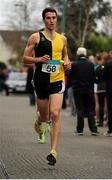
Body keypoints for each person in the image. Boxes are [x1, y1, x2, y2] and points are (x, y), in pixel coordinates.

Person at [23, 7, 71, 166]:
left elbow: (65, 55)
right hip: (41, 81)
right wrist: (39, 60)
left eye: (54, 18)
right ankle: (39, 123)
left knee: (55, 114)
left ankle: (53, 152)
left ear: (57, 19)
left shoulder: (62, 39)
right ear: (44, 20)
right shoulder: (35, 37)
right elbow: (25, 59)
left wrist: (67, 62)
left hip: (57, 80)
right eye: (48, 18)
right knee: (45, 117)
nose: (51, 20)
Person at [68, 47, 98, 136]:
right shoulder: (91, 64)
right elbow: (94, 77)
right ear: (85, 54)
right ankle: (93, 129)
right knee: (90, 109)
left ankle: (80, 130)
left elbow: (69, 76)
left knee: (80, 109)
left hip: (78, 89)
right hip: (89, 89)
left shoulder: (74, 64)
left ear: (78, 54)